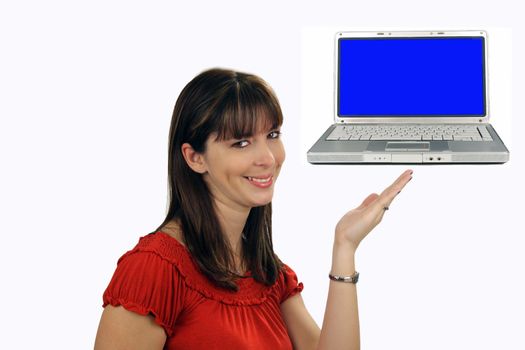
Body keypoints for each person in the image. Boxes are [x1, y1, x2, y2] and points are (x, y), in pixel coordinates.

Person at [94, 68, 413, 350]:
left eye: (272, 135)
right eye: (241, 142)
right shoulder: (153, 269)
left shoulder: (268, 273)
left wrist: (345, 246)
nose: (268, 158)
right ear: (195, 158)